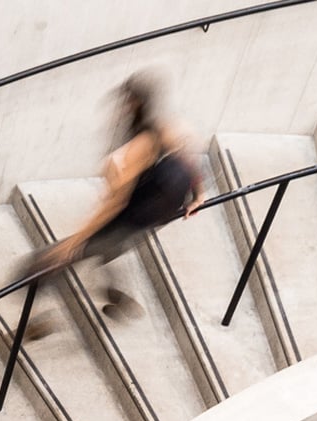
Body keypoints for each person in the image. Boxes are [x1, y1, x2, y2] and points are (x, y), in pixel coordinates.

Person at [22, 74, 203, 333]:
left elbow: (114, 204)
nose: (120, 107)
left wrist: (75, 242)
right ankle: (116, 297)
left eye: (125, 101)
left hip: (127, 218)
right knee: (103, 252)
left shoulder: (136, 148)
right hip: (147, 219)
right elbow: (187, 160)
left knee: (47, 262)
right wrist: (199, 195)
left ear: (133, 103)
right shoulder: (164, 128)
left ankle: (38, 321)